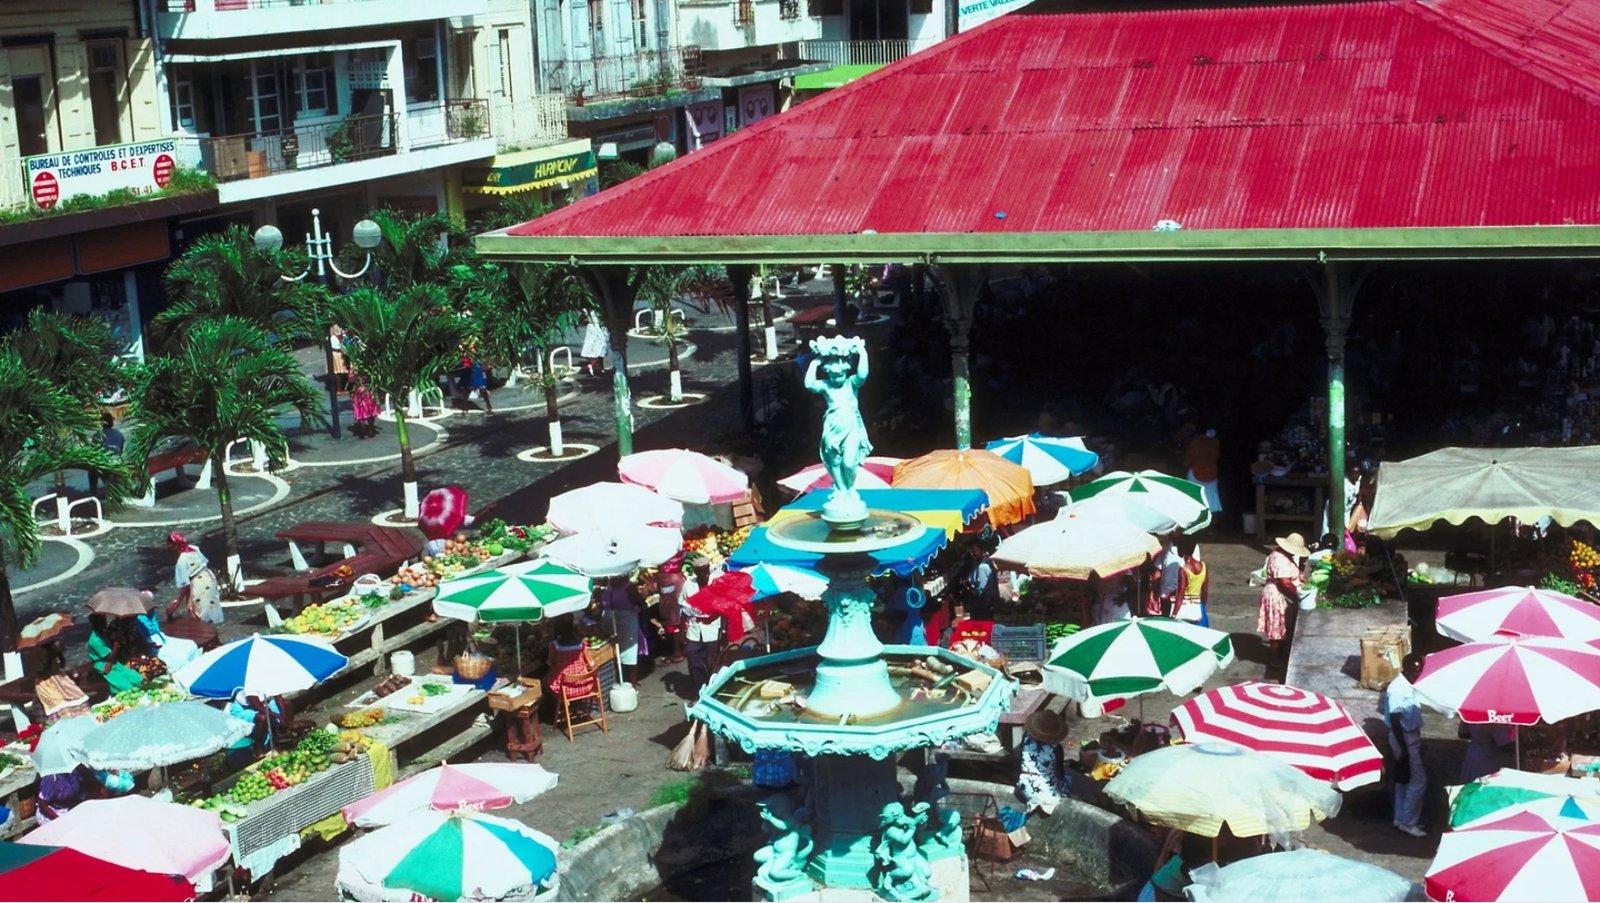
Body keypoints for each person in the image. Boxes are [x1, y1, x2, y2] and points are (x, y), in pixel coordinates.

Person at [1384, 655, 1428, 837]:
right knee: (1418, 781)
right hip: (1403, 737)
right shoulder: (1397, 688)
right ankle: (1409, 821)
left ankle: (1400, 817)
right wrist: (1404, 751)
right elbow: (1395, 720)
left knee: (1403, 780)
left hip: (1409, 736)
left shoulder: (1409, 685)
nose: (1417, 673)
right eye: (1415, 670)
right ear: (1406, 669)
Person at [1016, 709, 1072, 816]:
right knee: (1068, 780)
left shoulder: (1026, 738)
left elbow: (1022, 760)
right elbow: (1060, 774)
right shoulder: (1056, 749)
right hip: (1047, 794)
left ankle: (1033, 802)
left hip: (1024, 786)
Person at [680, 576, 724, 696]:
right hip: (694, 628)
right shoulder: (688, 585)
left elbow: (724, 607)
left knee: (712, 662)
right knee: (693, 657)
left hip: (713, 628)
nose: (705, 574)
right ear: (696, 572)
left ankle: (713, 691)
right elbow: (683, 607)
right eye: (701, 571)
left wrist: (724, 630)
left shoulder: (716, 584)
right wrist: (681, 631)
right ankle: (699, 692)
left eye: (706, 570)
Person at [166, 533, 223, 624]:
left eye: (169, 544)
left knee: (199, 611)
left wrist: (177, 603)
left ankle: (206, 632)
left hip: (199, 584)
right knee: (210, 607)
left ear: (175, 545)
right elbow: (204, 562)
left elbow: (185, 584)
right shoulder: (194, 548)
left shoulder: (182, 561)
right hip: (208, 577)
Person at [32, 640, 91, 724]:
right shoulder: (40, 652)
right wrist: (51, 653)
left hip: (60, 680)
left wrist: (58, 651)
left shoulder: (54, 650)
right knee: (58, 703)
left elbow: (62, 663)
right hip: (47, 683)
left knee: (74, 696)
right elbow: (40, 669)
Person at [600, 575, 643, 686]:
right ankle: (617, 679)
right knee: (612, 652)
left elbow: (639, 602)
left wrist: (637, 606)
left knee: (629, 653)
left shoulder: (629, 587)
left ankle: (631, 683)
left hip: (627, 623)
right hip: (609, 622)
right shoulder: (606, 587)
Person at [86, 613, 143, 693]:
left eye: (104, 620)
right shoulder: (95, 640)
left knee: (137, 679)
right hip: (104, 664)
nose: (105, 623)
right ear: (96, 623)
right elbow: (110, 657)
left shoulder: (102, 634)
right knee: (126, 687)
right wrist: (116, 643)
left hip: (113, 662)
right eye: (102, 621)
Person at [656, 553, 688, 664]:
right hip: (677, 589)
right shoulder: (675, 574)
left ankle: (677, 653)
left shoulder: (665, 576)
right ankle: (683, 648)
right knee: (679, 622)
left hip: (673, 602)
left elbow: (665, 594)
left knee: (674, 624)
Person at [1182, 428, 1222, 514]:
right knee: (1211, 500)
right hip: (1211, 475)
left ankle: (1197, 516)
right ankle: (1211, 521)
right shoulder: (1215, 443)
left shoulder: (1196, 443)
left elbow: (1188, 460)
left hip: (1196, 474)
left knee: (1194, 499)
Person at [959, 543, 1000, 621]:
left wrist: (969, 589)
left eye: (974, 550)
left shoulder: (982, 567)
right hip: (984, 602)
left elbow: (981, 589)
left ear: (982, 551)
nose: (972, 553)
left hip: (983, 604)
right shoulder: (980, 564)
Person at [87, 413, 124, 497]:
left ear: (102, 423)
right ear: (112, 422)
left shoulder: (97, 435)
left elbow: (94, 452)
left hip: (104, 464)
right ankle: (117, 495)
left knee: (91, 471)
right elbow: (120, 450)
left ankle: (93, 495)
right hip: (117, 463)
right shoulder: (119, 434)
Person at [1174, 545, 1209, 626]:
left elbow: (1181, 594)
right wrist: (1201, 607)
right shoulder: (1203, 566)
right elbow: (1205, 591)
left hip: (1186, 607)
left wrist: (1174, 614)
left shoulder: (1183, 570)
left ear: (1182, 550)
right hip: (1198, 606)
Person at [1155, 537, 1183, 618]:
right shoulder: (1166, 547)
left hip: (1177, 597)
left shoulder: (1167, 547)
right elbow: (1157, 573)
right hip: (1166, 596)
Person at [349, 370, 381, 439]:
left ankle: (363, 428)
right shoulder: (368, 366)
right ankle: (370, 428)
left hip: (359, 390)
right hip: (368, 390)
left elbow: (351, 379)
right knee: (370, 409)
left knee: (360, 408)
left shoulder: (355, 367)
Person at [579, 310, 610, 376]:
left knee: (600, 349)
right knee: (601, 348)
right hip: (597, 328)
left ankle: (600, 367)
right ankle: (592, 365)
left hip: (595, 328)